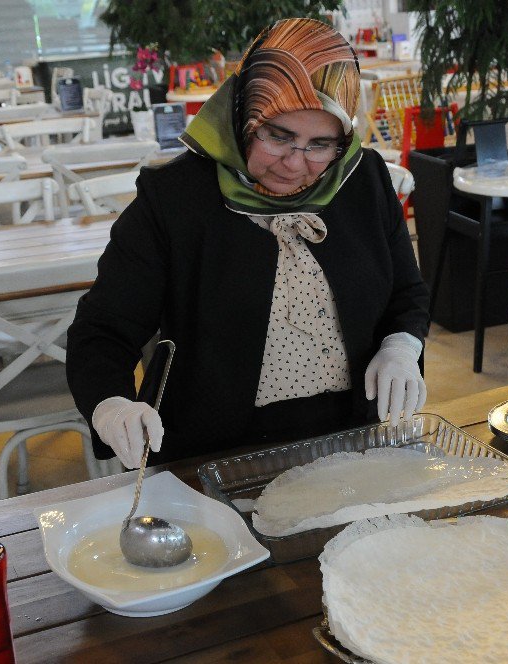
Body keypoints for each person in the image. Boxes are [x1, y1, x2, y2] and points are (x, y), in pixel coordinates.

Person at [66, 17, 430, 469]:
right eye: (278, 135)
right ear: (244, 115)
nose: (296, 164)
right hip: (215, 450)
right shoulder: (177, 199)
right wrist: (111, 404)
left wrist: (401, 347)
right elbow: (103, 331)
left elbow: (406, 294)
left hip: (352, 437)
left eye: (321, 144)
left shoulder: (363, 180)